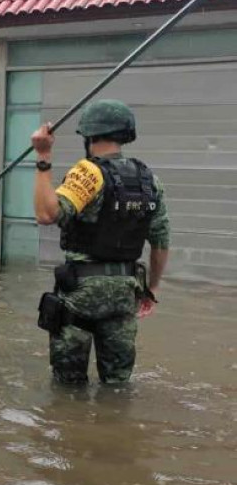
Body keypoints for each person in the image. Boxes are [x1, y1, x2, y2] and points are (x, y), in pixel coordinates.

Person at [31, 99, 170, 385]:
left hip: (80, 294)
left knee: (68, 388)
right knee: (118, 385)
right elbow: (160, 241)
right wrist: (151, 290)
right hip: (124, 294)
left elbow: (47, 214)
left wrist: (43, 157)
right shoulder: (150, 181)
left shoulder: (88, 172)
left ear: (89, 135)